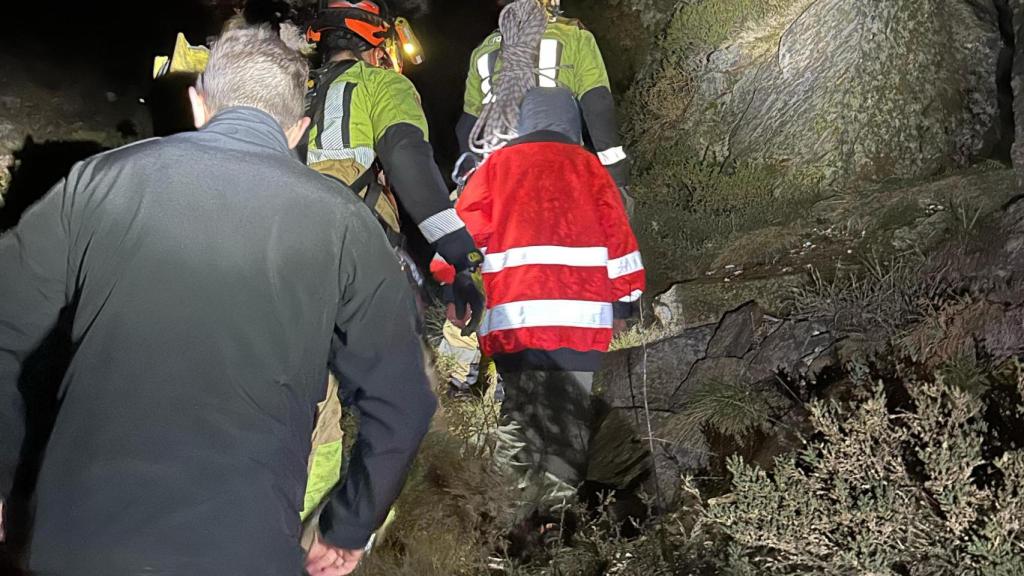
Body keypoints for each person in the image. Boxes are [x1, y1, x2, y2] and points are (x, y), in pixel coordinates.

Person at [0, 26, 434, 576]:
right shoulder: (344, 223)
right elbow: (402, 401)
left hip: (76, 537)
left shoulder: (98, 182)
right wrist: (348, 525)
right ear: (298, 129)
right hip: (244, 546)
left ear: (198, 103)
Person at [431, 87, 645, 520]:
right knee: (568, 418)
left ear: (523, 122)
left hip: (518, 321)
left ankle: (510, 517)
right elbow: (619, 240)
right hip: (580, 323)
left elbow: (458, 237)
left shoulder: (496, 169)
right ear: (571, 124)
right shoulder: (590, 168)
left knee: (520, 410)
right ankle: (556, 519)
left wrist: (448, 282)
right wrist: (625, 303)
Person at [304, 0, 484, 319]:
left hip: (283, 256)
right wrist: (462, 258)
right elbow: (409, 163)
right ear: (380, 44)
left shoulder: (294, 88)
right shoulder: (383, 84)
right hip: (357, 251)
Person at [456, 0, 632, 212]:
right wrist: (616, 175)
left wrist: (469, 179)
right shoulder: (573, 36)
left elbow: (467, 125)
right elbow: (598, 105)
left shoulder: (482, 51)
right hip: (558, 164)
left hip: (498, 176)